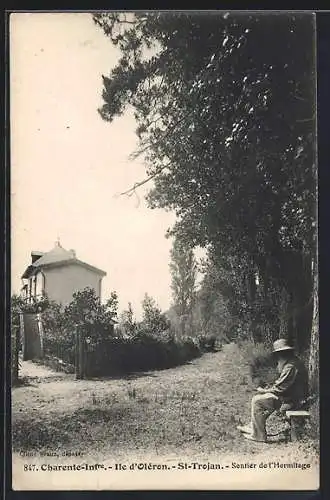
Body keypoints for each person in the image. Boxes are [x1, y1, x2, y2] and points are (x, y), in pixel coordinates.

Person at [237, 338, 309, 442]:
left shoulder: (291, 366)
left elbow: (280, 388)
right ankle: (254, 427)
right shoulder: (292, 362)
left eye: (280, 354)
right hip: (292, 397)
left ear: (283, 353)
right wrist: (268, 389)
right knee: (262, 399)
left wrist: (265, 391)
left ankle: (259, 435)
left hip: (294, 401)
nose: (278, 357)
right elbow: (282, 384)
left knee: (257, 401)